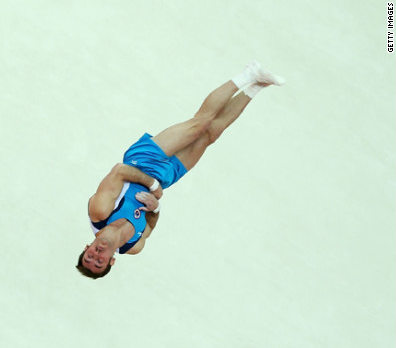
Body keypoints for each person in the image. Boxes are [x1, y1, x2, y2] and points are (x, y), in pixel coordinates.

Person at [77, 61, 285, 279]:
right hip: (166, 178)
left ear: (86, 248)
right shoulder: (134, 246)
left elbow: (119, 171)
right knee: (210, 135)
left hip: (142, 161)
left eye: (89, 257)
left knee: (200, 125)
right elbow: (149, 225)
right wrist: (155, 208)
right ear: (112, 261)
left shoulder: (99, 212)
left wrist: (152, 185)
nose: (95, 256)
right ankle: (257, 86)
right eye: (99, 263)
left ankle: (249, 74)